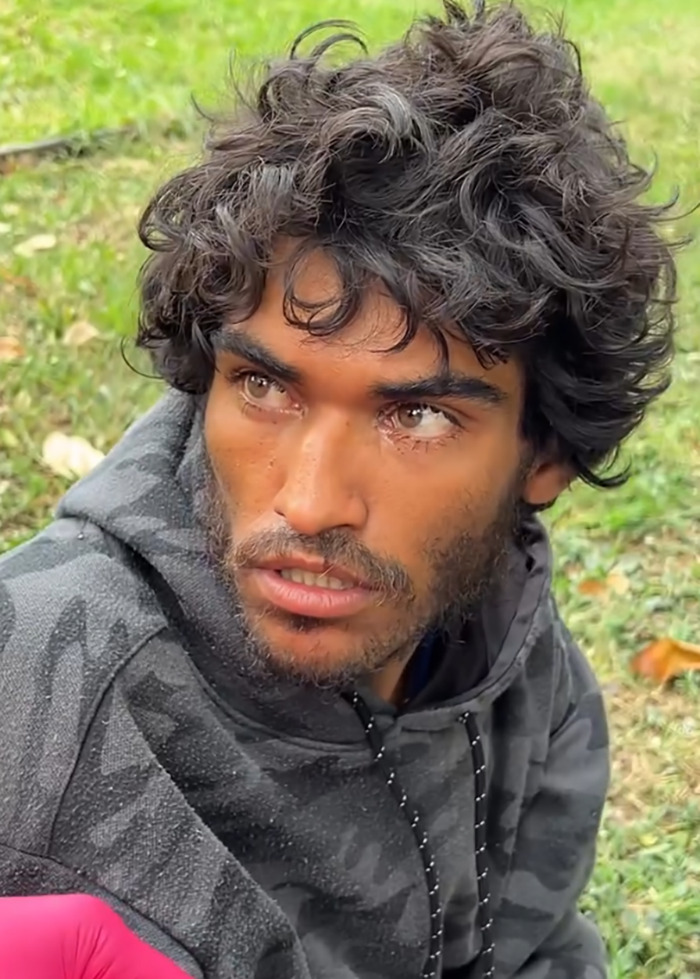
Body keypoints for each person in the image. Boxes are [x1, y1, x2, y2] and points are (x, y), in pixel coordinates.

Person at [0, 1, 678, 977]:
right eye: (266, 386)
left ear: (545, 456)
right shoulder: (42, 713)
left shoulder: (516, 667)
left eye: (418, 416)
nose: (310, 504)